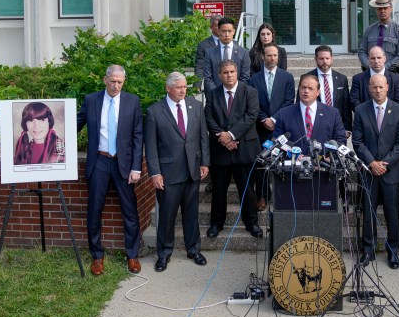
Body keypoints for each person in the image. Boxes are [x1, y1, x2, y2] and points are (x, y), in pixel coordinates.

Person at [77, 65, 144, 276]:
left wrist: (136, 167)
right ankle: (97, 256)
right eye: (113, 81)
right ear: (105, 80)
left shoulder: (132, 101)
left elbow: (137, 136)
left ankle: (132, 254)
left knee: (130, 210)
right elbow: (74, 126)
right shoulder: (91, 100)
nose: (116, 86)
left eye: (120, 82)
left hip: (123, 164)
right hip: (99, 162)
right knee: (94, 210)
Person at [144, 72, 210, 272]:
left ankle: (193, 250)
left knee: (191, 214)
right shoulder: (155, 112)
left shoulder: (196, 107)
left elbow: (202, 137)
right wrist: (155, 173)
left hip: (192, 170)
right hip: (168, 174)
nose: (183, 90)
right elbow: (151, 146)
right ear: (168, 88)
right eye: (178, 87)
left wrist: (205, 162)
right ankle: (163, 254)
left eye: (184, 87)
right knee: (166, 216)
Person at [352, 75, 399, 269]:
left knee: (392, 213)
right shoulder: (360, 110)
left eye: (381, 87)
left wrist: (384, 164)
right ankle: (368, 250)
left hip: (390, 172)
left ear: (387, 88)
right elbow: (357, 142)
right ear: (369, 88)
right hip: (368, 172)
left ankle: (393, 251)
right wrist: (371, 163)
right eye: (374, 87)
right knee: (368, 212)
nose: (377, 90)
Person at [204, 60, 262, 239]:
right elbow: (208, 116)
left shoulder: (249, 91)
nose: (229, 75)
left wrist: (231, 134)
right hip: (220, 150)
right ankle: (216, 224)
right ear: (219, 75)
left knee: (247, 190)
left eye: (232, 72)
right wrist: (223, 138)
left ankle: (251, 223)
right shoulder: (213, 94)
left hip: (244, 148)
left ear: (236, 73)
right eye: (225, 72)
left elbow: (251, 115)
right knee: (219, 190)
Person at [248, 44, 295, 210]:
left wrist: (274, 119)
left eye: (275, 55)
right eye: (269, 55)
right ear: (262, 56)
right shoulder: (253, 79)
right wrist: (264, 119)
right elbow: (252, 105)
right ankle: (263, 196)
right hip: (260, 128)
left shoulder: (287, 77)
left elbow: (289, 101)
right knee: (261, 164)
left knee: (282, 162)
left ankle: (283, 196)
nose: (272, 58)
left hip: (281, 127)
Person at [273, 74, 348, 153]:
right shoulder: (284, 113)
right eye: (303, 87)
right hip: (294, 162)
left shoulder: (332, 113)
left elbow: (340, 140)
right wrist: (291, 154)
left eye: (310, 88)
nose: (306, 91)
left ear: (318, 92)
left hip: (323, 163)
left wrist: (330, 156)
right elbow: (278, 141)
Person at [357, 0, 399, 76]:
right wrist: (369, 65)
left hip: (391, 74)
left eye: (385, 8)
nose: (382, 11)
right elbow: (362, 51)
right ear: (376, 10)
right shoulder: (369, 30)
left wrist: (385, 68)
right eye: (380, 8)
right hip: (371, 74)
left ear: (391, 8)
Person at [308, 45, 352, 134]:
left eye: (327, 58)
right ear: (315, 59)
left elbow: (346, 105)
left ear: (332, 59)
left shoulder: (341, 79)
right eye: (321, 58)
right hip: (315, 125)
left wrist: (347, 128)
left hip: (337, 125)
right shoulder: (307, 78)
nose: (325, 61)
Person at [201, 17, 250, 92]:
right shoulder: (209, 53)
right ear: (219, 31)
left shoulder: (244, 53)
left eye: (229, 31)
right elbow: (208, 78)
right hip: (215, 97)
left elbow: (245, 78)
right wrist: (218, 94)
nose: (227, 34)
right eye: (223, 31)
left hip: (237, 97)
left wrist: (234, 93)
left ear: (234, 31)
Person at [350, 46, 399, 111]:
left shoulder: (395, 79)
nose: (376, 61)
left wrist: (385, 115)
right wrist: (366, 115)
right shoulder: (358, 79)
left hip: (389, 119)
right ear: (368, 59)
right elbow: (354, 101)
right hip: (365, 119)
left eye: (379, 58)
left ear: (384, 59)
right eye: (373, 58)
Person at [194, 15, 222, 90]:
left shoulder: (234, 44)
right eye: (217, 26)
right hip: (212, 86)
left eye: (221, 25)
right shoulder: (203, 45)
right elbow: (200, 66)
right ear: (211, 27)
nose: (220, 28)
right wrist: (197, 84)